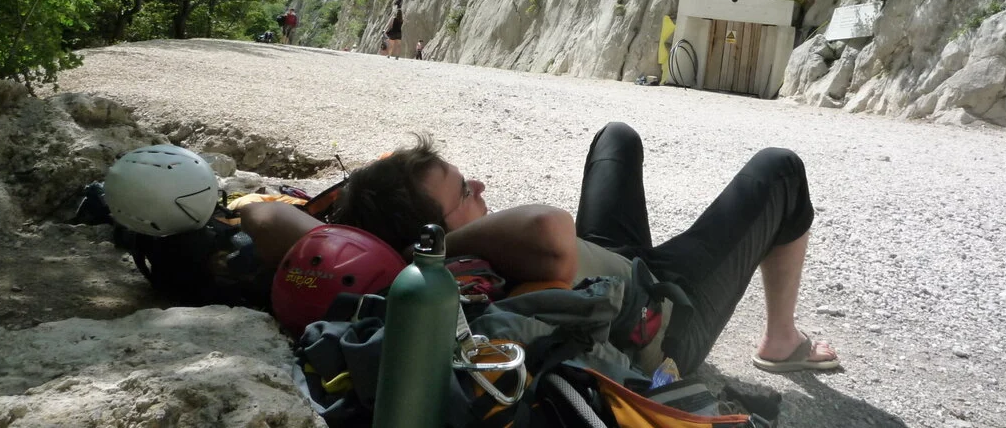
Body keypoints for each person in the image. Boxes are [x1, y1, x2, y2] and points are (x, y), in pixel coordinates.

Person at [241, 123, 839, 377]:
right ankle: (781, 340)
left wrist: (379, 237)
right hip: (660, 317)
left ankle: (781, 334)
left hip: (607, 260)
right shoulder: (448, 273)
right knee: (779, 170)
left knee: (616, 137)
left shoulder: (385, 268)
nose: (478, 187)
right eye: (462, 191)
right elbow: (552, 229)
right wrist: (432, 250)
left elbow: (264, 216)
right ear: (433, 236)